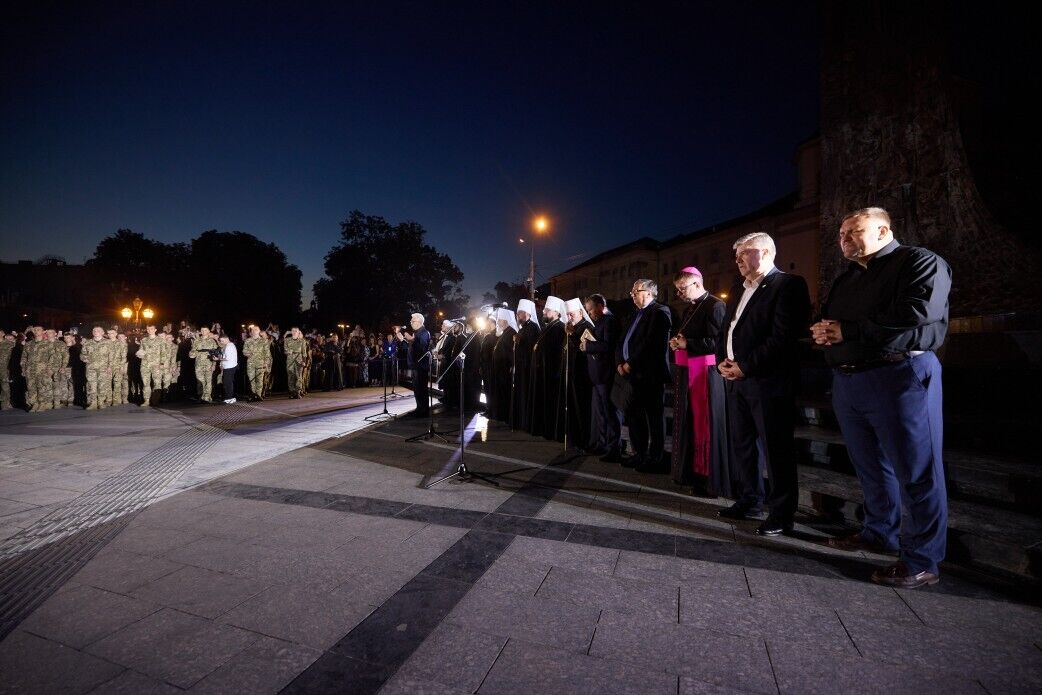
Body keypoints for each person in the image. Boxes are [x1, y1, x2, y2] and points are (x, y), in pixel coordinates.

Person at [811, 207, 951, 588]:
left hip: (900, 376)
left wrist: (849, 331)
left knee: (917, 470)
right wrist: (825, 335)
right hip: (850, 381)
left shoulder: (920, 262)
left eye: (854, 232)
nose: (845, 240)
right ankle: (879, 531)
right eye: (842, 235)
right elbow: (836, 325)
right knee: (870, 465)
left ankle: (922, 559)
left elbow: (919, 313)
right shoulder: (848, 279)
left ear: (883, 229)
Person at [717, 232, 811, 536]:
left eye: (746, 253)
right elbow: (727, 330)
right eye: (738, 255)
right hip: (736, 380)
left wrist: (745, 365)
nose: (739, 259)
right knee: (743, 444)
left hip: (768, 382)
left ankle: (782, 513)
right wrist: (723, 359)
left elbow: (781, 337)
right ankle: (750, 499)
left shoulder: (788, 285)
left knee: (776, 448)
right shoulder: (738, 289)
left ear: (767, 251)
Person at [669, 267, 728, 497]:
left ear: (696, 283)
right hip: (689, 372)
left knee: (704, 428)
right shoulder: (691, 309)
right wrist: (677, 342)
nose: (680, 294)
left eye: (682, 289)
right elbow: (687, 337)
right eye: (678, 290)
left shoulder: (715, 306)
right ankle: (692, 474)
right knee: (691, 426)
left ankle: (709, 482)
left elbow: (717, 343)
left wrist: (688, 344)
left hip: (706, 375)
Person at [616, 280, 673, 472]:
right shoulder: (634, 314)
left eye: (635, 291)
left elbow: (652, 344)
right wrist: (619, 362)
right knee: (633, 414)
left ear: (648, 293)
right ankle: (639, 453)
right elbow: (622, 339)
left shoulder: (660, 311)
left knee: (654, 418)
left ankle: (655, 458)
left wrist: (630, 363)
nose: (631, 294)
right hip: (631, 375)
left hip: (649, 375)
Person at [581, 294, 622, 461]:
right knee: (600, 414)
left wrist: (588, 345)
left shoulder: (609, 321)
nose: (589, 313)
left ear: (600, 306)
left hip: (606, 375)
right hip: (596, 376)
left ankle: (614, 448)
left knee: (610, 413)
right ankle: (601, 444)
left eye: (591, 309)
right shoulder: (597, 322)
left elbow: (608, 345)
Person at [527, 296, 567, 439]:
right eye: (544, 310)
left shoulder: (559, 328)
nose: (544, 312)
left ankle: (550, 430)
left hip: (551, 374)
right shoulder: (548, 327)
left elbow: (556, 354)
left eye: (547, 310)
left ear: (556, 312)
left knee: (551, 404)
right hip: (542, 372)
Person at [562, 298, 594, 448]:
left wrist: (571, 334)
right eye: (567, 314)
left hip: (582, 375)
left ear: (581, 312)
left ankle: (583, 441)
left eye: (572, 314)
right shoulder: (571, 327)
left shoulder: (586, 326)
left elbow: (582, 348)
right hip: (571, 373)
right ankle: (573, 438)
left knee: (581, 408)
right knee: (572, 408)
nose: (569, 317)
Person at [512, 299, 540, 430]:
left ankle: (526, 422)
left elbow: (531, 348)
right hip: (520, 367)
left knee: (525, 395)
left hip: (527, 368)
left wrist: (519, 341)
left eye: (520, 313)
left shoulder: (533, 327)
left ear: (527, 313)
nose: (518, 316)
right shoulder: (523, 328)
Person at [396, 313, 431, 417]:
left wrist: (411, 340)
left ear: (419, 322)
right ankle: (419, 408)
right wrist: (403, 340)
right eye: (411, 321)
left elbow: (422, 349)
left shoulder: (424, 333)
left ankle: (423, 411)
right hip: (415, 365)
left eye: (413, 321)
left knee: (421, 389)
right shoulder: (417, 333)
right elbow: (411, 347)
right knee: (417, 389)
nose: (411, 323)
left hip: (421, 365)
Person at [490, 307, 518, 422]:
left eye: (499, 320)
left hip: (505, 370)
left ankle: (505, 416)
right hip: (500, 369)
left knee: (504, 394)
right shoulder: (504, 332)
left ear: (506, 321)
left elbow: (512, 352)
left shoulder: (511, 332)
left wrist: (511, 366)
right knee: (500, 393)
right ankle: (499, 414)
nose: (497, 322)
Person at [80, 326, 114, 410]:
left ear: (103, 333)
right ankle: (93, 403)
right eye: (94, 330)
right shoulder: (87, 343)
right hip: (91, 368)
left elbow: (111, 355)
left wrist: (110, 366)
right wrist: (86, 359)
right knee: (92, 385)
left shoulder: (108, 342)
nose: (96, 332)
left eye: (98, 330)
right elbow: (82, 354)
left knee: (102, 385)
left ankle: (101, 402)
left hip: (103, 367)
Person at [188, 326, 219, 403]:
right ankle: (201, 397)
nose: (203, 331)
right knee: (200, 381)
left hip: (209, 363)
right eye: (202, 330)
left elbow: (215, 354)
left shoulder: (212, 341)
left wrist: (214, 365)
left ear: (208, 331)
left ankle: (207, 397)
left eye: (205, 330)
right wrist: (192, 353)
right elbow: (192, 352)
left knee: (208, 381)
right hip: (198, 363)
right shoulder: (196, 341)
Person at [137, 325, 164, 407]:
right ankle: (146, 400)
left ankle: (155, 401)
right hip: (145, 364)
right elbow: (141, 350)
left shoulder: (161, 340)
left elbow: (163, 353)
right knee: (146, 384)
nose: (149, 330)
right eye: (148, 329)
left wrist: (162, 364)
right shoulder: (144, 340)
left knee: (157, 383)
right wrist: (139, 354)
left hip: (156, 364)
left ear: (155, 330)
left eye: (151, 329)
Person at [242, 325, 272, 401]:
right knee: (251, 379)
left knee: (259, 379)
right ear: (251, 332)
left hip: (261, 363)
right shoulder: (248, 341)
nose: (254, 331)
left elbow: (267, 353)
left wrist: (266, 363)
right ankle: (253, 394)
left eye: (256, 329)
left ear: (259, 331)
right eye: (253, 330)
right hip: (250, 363)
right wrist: (247, 353)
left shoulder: (264, 341)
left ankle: (258, 395)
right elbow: (244, 351)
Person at [283, 327, 307, 398]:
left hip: (299, 360)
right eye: (293, 331)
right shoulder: (287, 340)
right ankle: (292, 392)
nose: (294, 332)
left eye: (296, 331)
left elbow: (304, 352)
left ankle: (298, 392)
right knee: (290, 376)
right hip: (290, 360)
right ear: (291, 332)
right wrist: (290, 352)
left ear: (298, 332)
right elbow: (285, 350)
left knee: (298, 376)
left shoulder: (302, 341)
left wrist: (304, 361)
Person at [218, 335, 238, 404]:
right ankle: (230, 397)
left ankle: (229, 398)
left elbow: (227, 358)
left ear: (227, 338)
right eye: (221, 341)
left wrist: (218, 359)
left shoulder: (229, 346)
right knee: (228, 383)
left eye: (222, 340)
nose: (221, 342)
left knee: (228, 383)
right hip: (229, 366)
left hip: (229, 367)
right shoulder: (229, 345)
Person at [0, 331, 14, 410]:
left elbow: (13, 358)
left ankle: (5, 404)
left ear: (2, 334)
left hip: (4, 368)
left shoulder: (9, 344)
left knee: (5, 386)